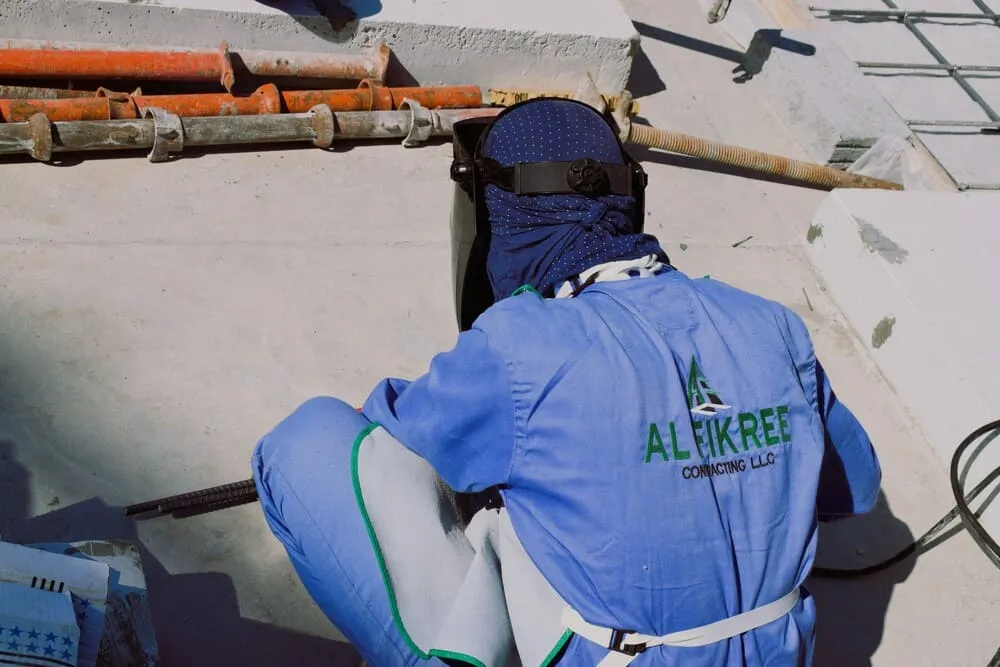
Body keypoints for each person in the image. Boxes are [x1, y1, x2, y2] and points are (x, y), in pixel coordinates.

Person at [250, 98, 882, 666]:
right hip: (780, 649)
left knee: (308, 440)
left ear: (502, 219)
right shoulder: (769, 323)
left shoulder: (520, 342)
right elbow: (853, 488)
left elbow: (408, 431)